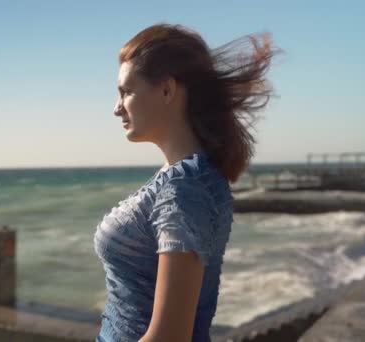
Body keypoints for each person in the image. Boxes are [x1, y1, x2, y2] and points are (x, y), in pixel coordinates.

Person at [93, 23, 275, 342]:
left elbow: (170, 337)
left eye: (126, 92)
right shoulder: (187, 178)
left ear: (166, 90)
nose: (116, 107)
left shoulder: (184, 188)